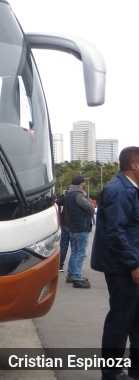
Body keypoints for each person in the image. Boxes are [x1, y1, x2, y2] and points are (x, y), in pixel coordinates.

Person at [91, 146, 139, 380]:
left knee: (136, 320)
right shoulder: (119, 190)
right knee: (120, 320)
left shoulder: (131, 188)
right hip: (123, 267)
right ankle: (111, 373)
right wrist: (134, 264)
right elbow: (116, 232)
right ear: (135, 166)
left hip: (131, 263)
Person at [65, 175, 95, 288]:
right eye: (84, 183)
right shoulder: (79, 195)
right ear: (81, 184)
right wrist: (88, 199)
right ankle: (77, 278)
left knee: (75, 251)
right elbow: (90, 207)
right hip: (81, 227)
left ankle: (71, 275)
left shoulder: (68, 195)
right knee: (81, 253)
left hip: (73, 227)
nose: (85, 185)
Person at [56, 189, 71, 272]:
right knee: (75, 248)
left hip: (64, 223)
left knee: (63, 245)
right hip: (74, 225)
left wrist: (63, 195)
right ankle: (72, 268)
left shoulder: (66, 197)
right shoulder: (79, 196)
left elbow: (57, 202)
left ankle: (60, 265)